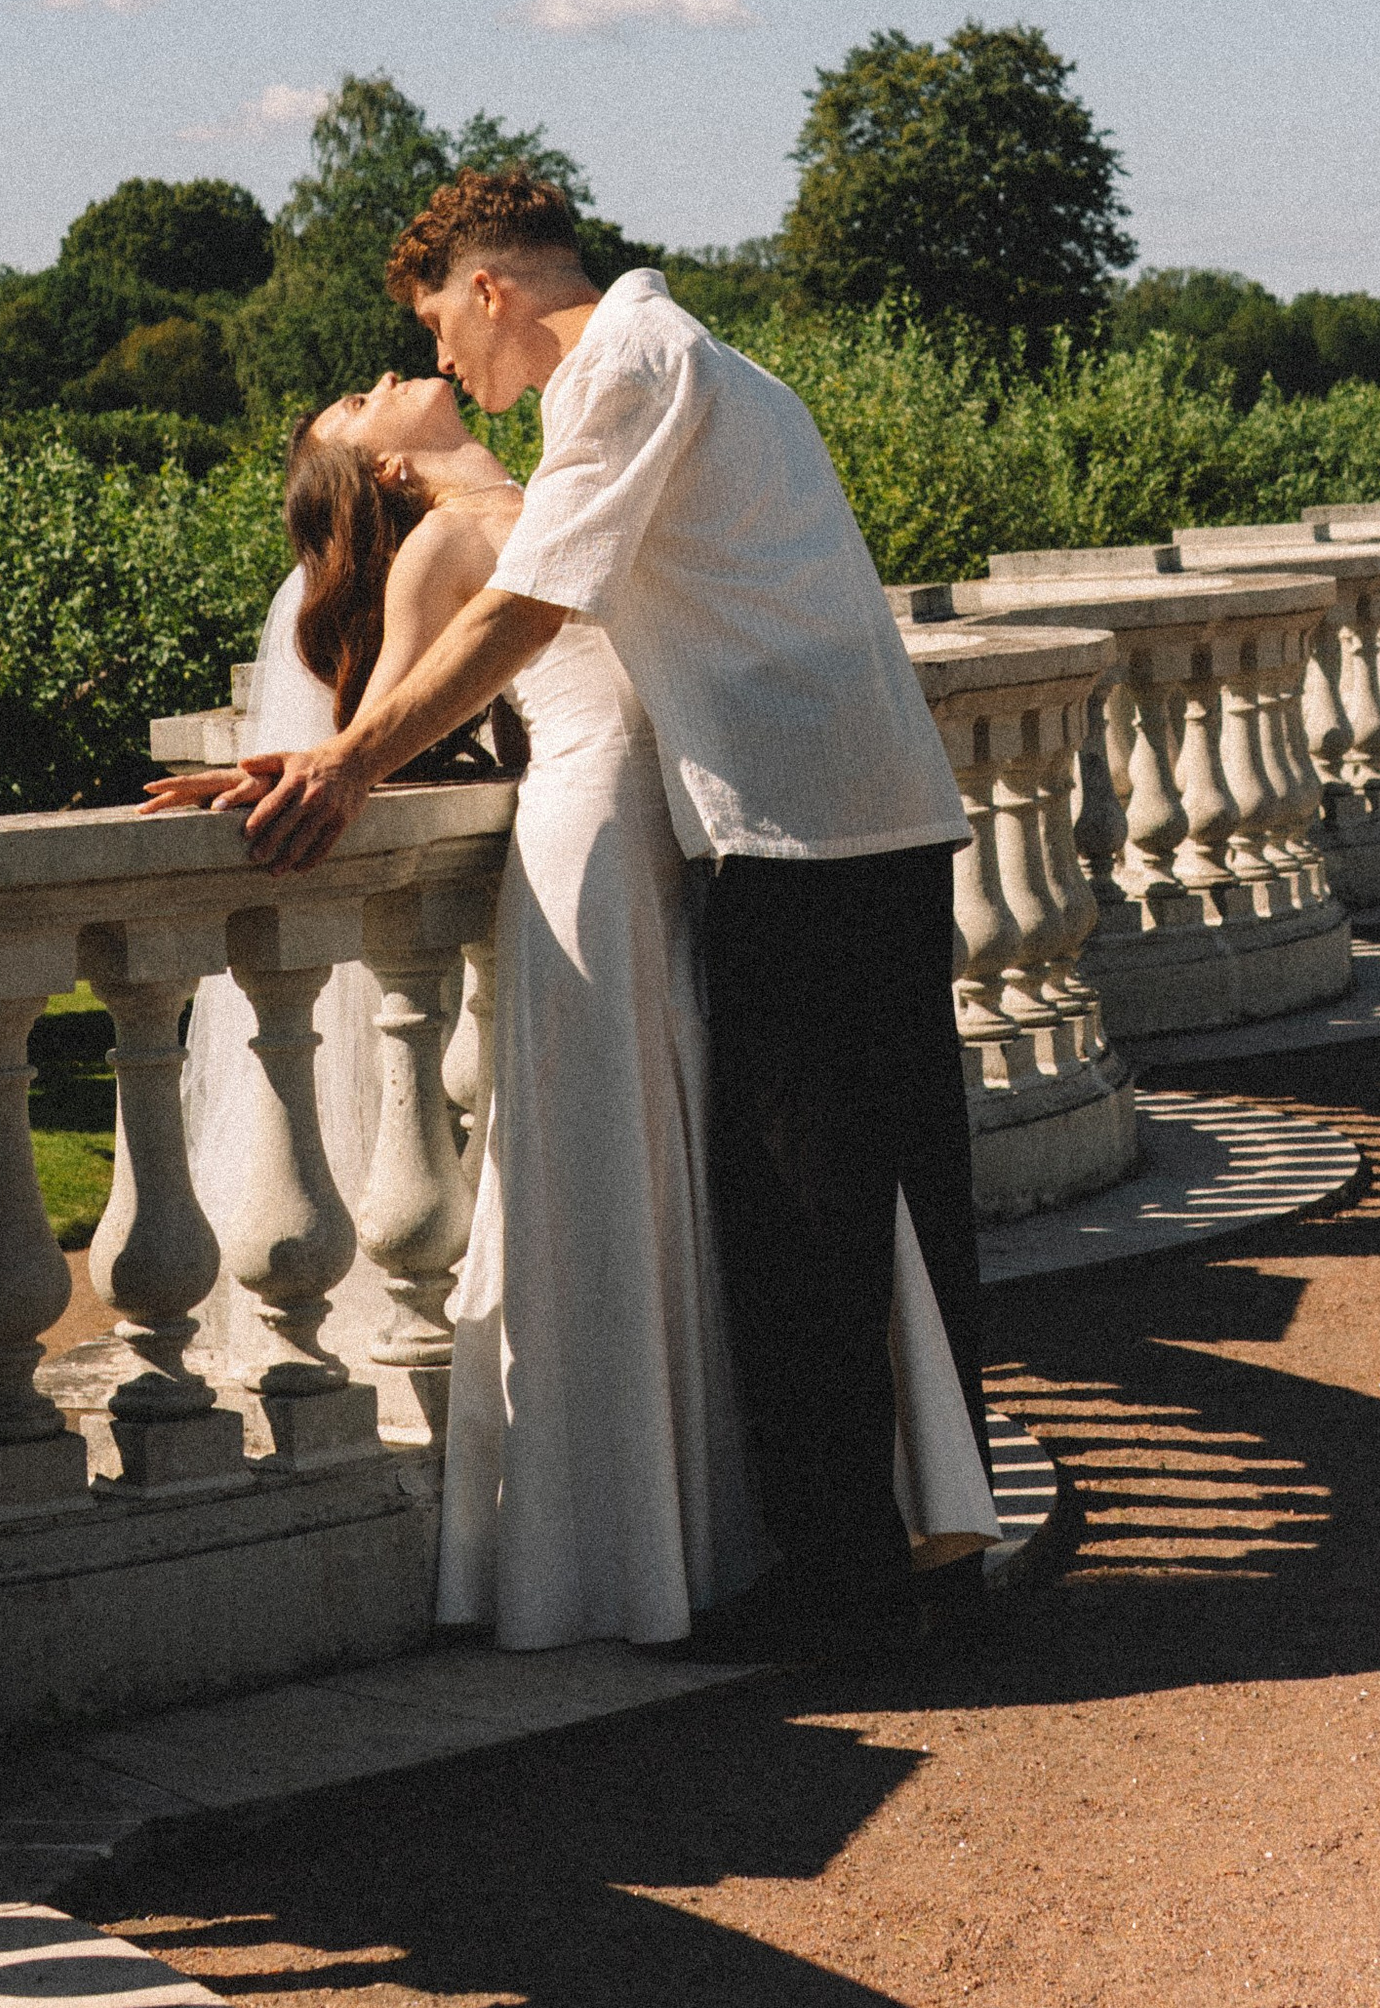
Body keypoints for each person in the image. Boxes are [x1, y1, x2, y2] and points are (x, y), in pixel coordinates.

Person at [240, 167, 993, 1655]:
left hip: (806, 832)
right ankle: (907, 1546)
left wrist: (346, 759)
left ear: (493, 289)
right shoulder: (686, 356)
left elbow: (533, 603)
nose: (446, 361)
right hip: (851, 817)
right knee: (873, 1204)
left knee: (806, 1219)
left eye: (443, 325)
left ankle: (850, 1586)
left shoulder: (630, 369)